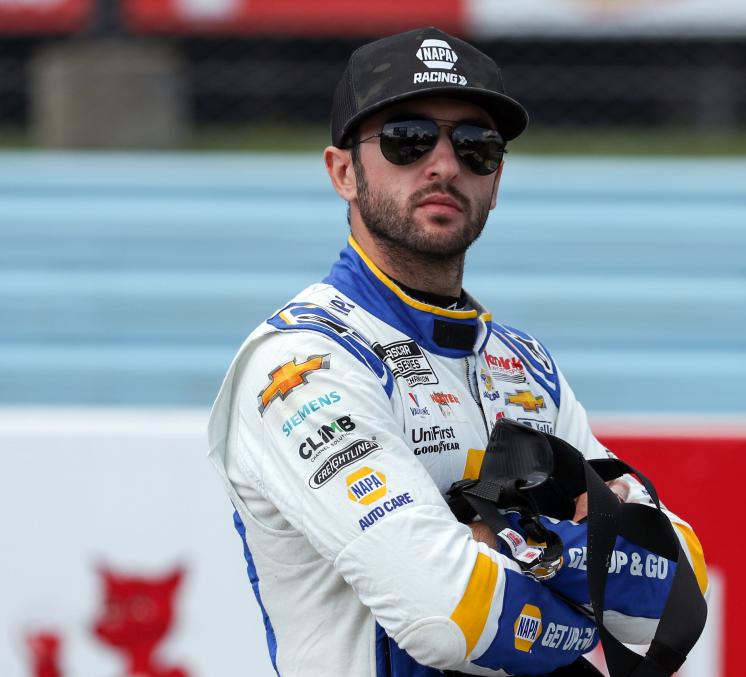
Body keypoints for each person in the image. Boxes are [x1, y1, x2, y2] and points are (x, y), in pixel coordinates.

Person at [207, 26, 708, 677]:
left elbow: (675, 595)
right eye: (407, 139)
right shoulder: (301, 362)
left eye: (475, 146)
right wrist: (584, 580)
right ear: (342, 172)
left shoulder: (527, 365)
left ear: (495, 182)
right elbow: (447, 618)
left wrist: (500, 540)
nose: (443, 164)